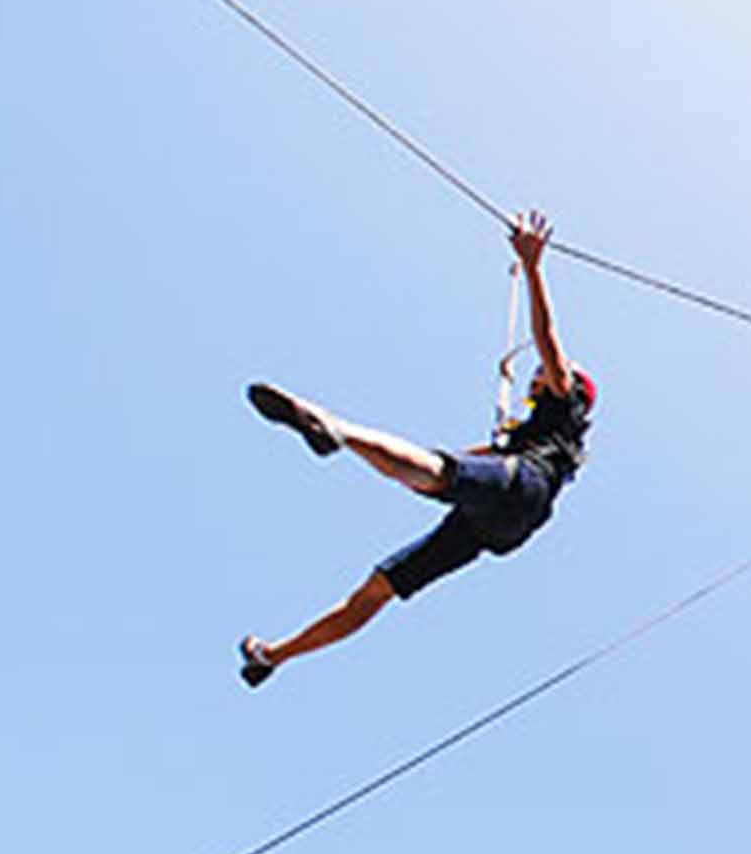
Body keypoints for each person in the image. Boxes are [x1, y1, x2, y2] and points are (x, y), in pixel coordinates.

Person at [238, 211, 593, 687]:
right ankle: (273, 656)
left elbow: (548, 342)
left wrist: (531, 266)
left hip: (520, 487)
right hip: (494, 525)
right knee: (376, 591)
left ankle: (339, 429)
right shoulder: (544, 435)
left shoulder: (563, 401)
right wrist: (490, 446)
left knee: (438, 473)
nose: (544, 372)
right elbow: (471, 461)